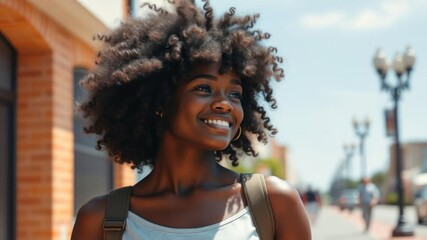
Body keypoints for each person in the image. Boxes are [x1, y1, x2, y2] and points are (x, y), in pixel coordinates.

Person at [71, 0, 311, 239]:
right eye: (204, 88)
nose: (224, 104)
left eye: (234, 94)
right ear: (160, 102)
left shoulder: (273, 204)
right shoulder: (100, 220)